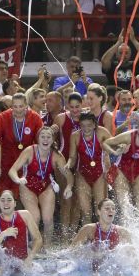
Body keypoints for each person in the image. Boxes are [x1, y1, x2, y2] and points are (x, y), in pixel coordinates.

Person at [8, 127, 73, 247]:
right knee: (35, 217)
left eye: (48, 137)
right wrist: (17, 179)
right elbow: (12, 170)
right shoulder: (29, 151)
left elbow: (68, 175)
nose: (45, 139)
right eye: (42, 136)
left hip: (46, 186)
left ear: (52, 139)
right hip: (27, 186)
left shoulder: (57, 156)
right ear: (38, 139)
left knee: (48, 219)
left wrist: (69, 186)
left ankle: (47, 248)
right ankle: (35, 246)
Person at [0, 92, 44, 196]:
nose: (18, 110)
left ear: (26, 105)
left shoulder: (35, 118)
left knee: (24, 194)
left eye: (21, 106)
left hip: (26, 161)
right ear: (11, 106)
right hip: (6, 160)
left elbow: (41, 142)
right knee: (3, 194)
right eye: (15, 106)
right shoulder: (2, 117)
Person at [68, 112, 112, 226]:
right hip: (82, 175)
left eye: (89, 125)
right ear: (80, 126)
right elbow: (72, 157)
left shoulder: (102, 132)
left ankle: (103, 236)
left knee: (101, 209)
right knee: (86, 212)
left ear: (94, 125)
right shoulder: (75, 136)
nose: (86, 128)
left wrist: (120, 148)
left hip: (99, 174)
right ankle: (87, 238)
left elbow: (113, 144)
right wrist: (68, 164)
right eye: (83, 126)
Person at [71, 199, 134, 272]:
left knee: (117, 274)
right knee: (95, 275)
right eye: (107, 208)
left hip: (114, 270)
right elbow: (72, 251)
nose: (111, 210)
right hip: (92, 269)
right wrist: (91, 255)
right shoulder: (88, 229)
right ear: (99, 212)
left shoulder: (123, 232)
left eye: (113, 208)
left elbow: (133, 257)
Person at [51, 93, 82, 232]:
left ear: (82, 105)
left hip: (81, 162)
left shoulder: (87, 119)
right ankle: (64, 233)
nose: (75, 110)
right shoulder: (61, 118)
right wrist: (53, 133)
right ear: (67, 106)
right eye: (72, 107)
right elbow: (50, 139)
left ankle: (73, 232)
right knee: (66, 199)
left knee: (77, 200)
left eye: (78, 107)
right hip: (64, 162)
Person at [0, 190, 42, 267]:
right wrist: (3, 234)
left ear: (15, 203)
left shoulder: (25, 215)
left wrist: (30, 257)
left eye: (9, 200)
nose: (6, 203)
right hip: (4, 265)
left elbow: (38, 239)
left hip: (24, 262)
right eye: (2, 200)